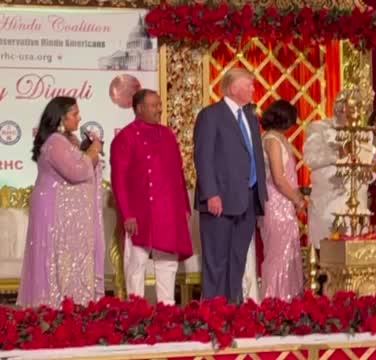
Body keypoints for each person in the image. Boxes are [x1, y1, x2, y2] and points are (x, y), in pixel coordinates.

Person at [17, 96, 105, 307]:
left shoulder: (63, 141)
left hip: (60, 211)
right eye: (74, 114)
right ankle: (55, 307)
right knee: (54, 259)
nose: (79, 117)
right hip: (53, 211)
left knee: (62, 259)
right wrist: (92, 152)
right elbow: (77, 171)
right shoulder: (55, 141)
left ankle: (65, 303)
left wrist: (83, 151)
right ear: (60, 118)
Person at [110, 89, 193, 305]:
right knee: (136, 263)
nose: (159, 109)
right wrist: (127, 214)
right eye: (154, 105)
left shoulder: (167, 134)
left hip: (168, 211)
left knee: (167, 263)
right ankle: (136, 312)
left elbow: (178, 174)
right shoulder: (125, 137)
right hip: (140, 213)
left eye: (159, 104)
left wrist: (184, 206)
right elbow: (119, 180)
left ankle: (166, 311)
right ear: (139, 108)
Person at [193, 68, 268, 302]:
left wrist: (261, 194)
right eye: (250, 85)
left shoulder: (250, 118)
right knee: (216, 260)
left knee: (237, 260)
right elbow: (203, 157)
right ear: (234, 87)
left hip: (247, 199)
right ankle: (214, 313)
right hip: (220, 200)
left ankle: (233, 310)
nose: (254, 89)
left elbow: (253, 155)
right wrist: (211, 193)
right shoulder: (211, 115)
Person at [304, 90, 374, 250]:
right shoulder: (319, 128)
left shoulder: (364, 133)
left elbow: (368, 166)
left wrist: (371, 172)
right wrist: (339, 154)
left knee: (356, 255)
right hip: (327, 203)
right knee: (326, 255)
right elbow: (310, 158)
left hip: (357, 206)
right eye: (345, 106)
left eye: (355, 107)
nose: (349, 111)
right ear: (338, 107)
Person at [259, 99, 305, 300]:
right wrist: (297, 198)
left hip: (283, 203)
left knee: (288, 253)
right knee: (278, 255)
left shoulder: (275, 138)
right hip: (276, 204)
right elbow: (278, 178)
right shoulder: (272, 140)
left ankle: (288, 300)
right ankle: (275, 301)